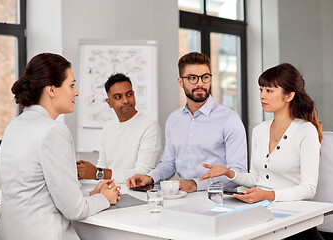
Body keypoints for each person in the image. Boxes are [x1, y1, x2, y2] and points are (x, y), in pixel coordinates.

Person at [0, 53, 121, 240]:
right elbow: (74, 210)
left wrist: (91, 194)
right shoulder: (54, 131)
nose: (76, 92)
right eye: (71, 85)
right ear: (51, 90)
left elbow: (39, 193)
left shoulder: (14, 126)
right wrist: (105, 198)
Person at [199, 63, 322, 204]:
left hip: (293, 211)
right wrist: (228, 173)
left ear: (289, 96)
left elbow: (309, 189)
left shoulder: (306, 131)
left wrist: (268, 195)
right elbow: (255, 178)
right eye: (261, 90)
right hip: (260, 207)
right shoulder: (259, 130)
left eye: (269, 91)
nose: (262, 96)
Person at [127, 52, 247, 193]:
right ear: (180, 82)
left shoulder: (230, 119)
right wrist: (150, 178)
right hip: (183, 197)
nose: (200, 83)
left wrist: (195, 184)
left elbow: (238, 173)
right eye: (192, 78)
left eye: (205, 77)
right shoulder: (174, 119)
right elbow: (169, 164)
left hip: (219, 199)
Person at [77, 73, 161, 183]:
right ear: (109, 102)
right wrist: (85, 173)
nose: (126, 100)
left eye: (129, 94)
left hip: (140, 194)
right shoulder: (108, 127)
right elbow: (102, 165)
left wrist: (97, 172)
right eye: (118, 97)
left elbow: (143, 172)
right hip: (111, 191)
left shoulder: (149, 125)